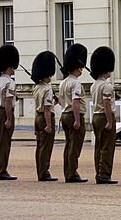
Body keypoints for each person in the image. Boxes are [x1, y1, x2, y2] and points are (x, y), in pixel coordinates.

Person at [59, 43, 89, 183]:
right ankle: (72, 173)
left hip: (64, 114)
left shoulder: (63, 82)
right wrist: (77, 119)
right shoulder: (76, 83)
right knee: (74, 146)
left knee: (69, 145)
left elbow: (61, 101)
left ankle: (68, 171)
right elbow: (76, 102)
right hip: (73, 115)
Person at [89, 46, 119, 184]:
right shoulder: (107, 86)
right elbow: (107, 104)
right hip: (104, 116)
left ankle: (99, 172)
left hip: (95, 115)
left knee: (99, 147)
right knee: (107, 147)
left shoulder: (94, 85)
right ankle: (104, 174)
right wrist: (109, 121)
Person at [0, 44, 19, 181]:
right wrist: (9, 119)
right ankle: (2, 170)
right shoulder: (10, 82)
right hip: (4, 112)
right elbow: (8, 101)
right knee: (4, 143)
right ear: (10, 66)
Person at [31, 51, 58, 182]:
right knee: (46, 146)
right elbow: (47, 108)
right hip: (45, 117)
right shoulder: (48, 88)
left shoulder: (37, 87)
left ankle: (40, 171)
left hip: (38, 116)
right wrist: (48, 125)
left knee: (40, 146)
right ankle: (44, 172)